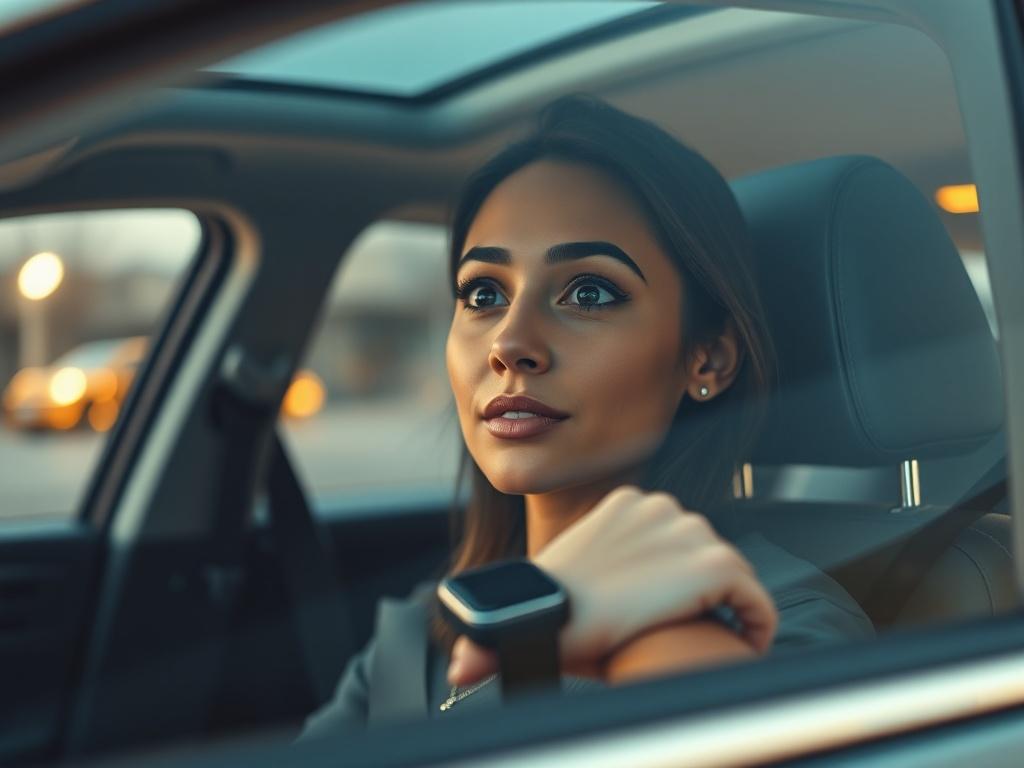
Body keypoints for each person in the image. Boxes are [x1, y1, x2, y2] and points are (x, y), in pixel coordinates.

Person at [298, 95, 873, 736]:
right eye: (483, 293)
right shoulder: (416, 636)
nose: (509, 343)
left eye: (589, 293)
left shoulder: (782, 631)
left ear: (708, 359)